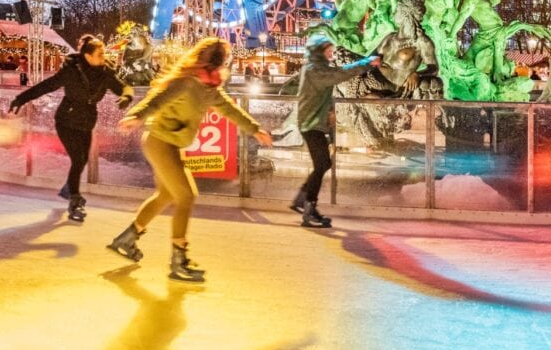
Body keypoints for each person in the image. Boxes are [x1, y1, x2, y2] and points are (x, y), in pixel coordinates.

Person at [107, 37, 273, 282]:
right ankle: (179, 261)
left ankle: (128, 238)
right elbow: (157, 100)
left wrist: (255, 128)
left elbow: (230, 110)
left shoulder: (209, 88)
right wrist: (136, 115)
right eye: (220, 60)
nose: (221, 64)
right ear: (212, 61)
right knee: (186, 195)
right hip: (160, 141)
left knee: (166, 195)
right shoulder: (187, 82)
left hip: (170, 143)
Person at [9, 35, 133, 222]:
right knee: (78, 159)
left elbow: (123, 87)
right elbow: (46, 86)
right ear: (88, 56)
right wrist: (21, 99)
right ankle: (74, 201)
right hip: (66, 121)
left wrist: (126, 97)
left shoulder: (105, 72)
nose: (103, 56)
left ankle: (69, 188)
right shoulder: (71, 71)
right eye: (100, 54)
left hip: (86, 122)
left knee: (82, 161)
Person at [290, 35, 380, 228]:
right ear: (319, 51)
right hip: (310, 124)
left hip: (314, 123)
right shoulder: (315, 71)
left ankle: (302, 200)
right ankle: (308, 209)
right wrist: (366, 63)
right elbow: (340, 74)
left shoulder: (316, 69)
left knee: (323, 164)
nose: (332, 53)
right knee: (322, 164)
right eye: (328, 50)